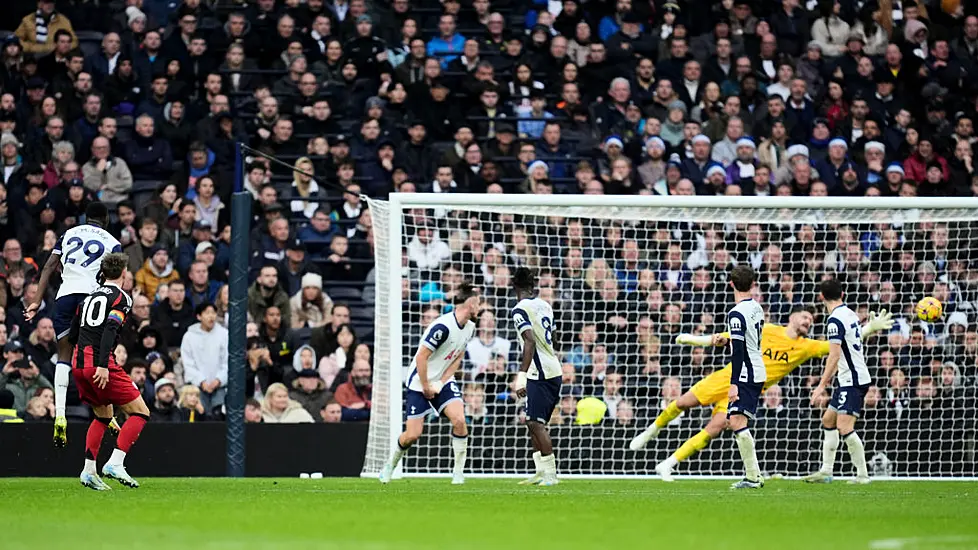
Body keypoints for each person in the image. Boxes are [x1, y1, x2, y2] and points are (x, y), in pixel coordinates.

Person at [629, 306, 893, 481]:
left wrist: (870, 328)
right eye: (804, 317)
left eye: (811, 320)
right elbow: (723, 337)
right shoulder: (767, 330)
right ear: (792, 318)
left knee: (717, 427)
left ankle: (668, 464)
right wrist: (690, 339)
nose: (808, 322)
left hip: (748, 391)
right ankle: (650, 431)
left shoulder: (806, 347)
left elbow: (837, 344)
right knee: (682, 403)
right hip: (726, 378)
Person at [26, 201, 120, 448]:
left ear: (86, 217)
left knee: (65, 355)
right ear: (106, 219)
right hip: (91, 299)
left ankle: (59, 415)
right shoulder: (112, 242)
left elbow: (48, 267)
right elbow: (114, 279)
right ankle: (106, 413)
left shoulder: (68, 234)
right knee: (96, 356)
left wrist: (36, 302)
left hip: (66, 297)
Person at [379, 282, 479, 485]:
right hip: (419, 382)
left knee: (460, 420)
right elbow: (421, 358)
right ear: (469, 304)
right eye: (478, 303)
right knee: (413, 435)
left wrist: (441, 382)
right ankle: (390, 464)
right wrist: (426, 386)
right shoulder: (443, 327)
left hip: (442, 379)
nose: (480, 308)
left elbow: (457, 356)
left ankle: (458, 473)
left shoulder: (470, 327)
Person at [67, 252, 150, 490]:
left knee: (103, 416)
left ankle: (88, 471)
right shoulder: (121, 298)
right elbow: (111, 329)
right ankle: (115, 462)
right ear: (124, 273)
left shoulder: (87, 299)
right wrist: (102, 364)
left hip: (79, 364)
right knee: (141, 412)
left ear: (103, 273)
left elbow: (73, 335)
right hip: (100, 364)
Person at [804, 278, 873, 484]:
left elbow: (833, 356)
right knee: (828, 420)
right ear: (842, 294)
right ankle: (826, 471)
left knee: (844, 426)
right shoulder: (849, 313)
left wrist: (821, 386)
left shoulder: (834, 320)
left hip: (852, 380)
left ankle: (862, 475)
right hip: (848, 379)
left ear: (821, 297)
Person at [510, 267, 563, 487]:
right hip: (552, 368)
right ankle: (540, 471)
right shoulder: (545, 305)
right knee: (533, 423)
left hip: (539, 373)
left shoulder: (519, 310)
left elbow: (529, 341)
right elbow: (555, 339)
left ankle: (550, 475)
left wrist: (521, 376)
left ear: (514, 287)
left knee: (535, 422)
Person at [721, 265, 766, 489]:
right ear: (753, 284)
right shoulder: (757, 308)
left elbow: (739, 351)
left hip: (746, 373)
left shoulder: (736, 313)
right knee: (736, 420)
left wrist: (734, 384)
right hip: (757, 368)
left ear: (731, 284)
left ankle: (752, 477)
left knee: (737, 420)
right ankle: (755, 474)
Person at [179, 302, 229, 415]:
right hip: (198, 386)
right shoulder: (189, 336)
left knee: (218, 415)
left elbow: (227, 361)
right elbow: (188, 363)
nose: (211, 316)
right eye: (207, 313)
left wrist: (218, 380)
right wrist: (201, 381)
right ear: (199, 316)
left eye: (213, 313)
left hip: (220, 386)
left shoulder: (224, 334)